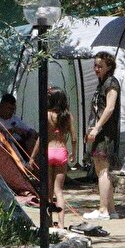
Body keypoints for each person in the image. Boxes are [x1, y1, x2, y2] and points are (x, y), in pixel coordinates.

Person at [84, 51, 120, 221]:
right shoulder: (101, 84)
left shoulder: (111, 83)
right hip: (98, 131)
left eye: (100, 66)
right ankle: (111, 210)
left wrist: (97, 128)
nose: (96, 69)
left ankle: (103, 209)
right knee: (101, 168)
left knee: (102, 169)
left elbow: (110, 108)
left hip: (106, 134)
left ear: (109, 67)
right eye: (95, 65)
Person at [46, 88, 75, 227]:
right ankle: (62, 224)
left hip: (49, 151)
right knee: (59, 191)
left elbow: (42, 138)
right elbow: (74, 138)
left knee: (49, 191)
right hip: (61, 152)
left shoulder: (47, 115)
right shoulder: (67, 116)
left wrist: (33, 157)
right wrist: (73, 153)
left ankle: (48, 222)